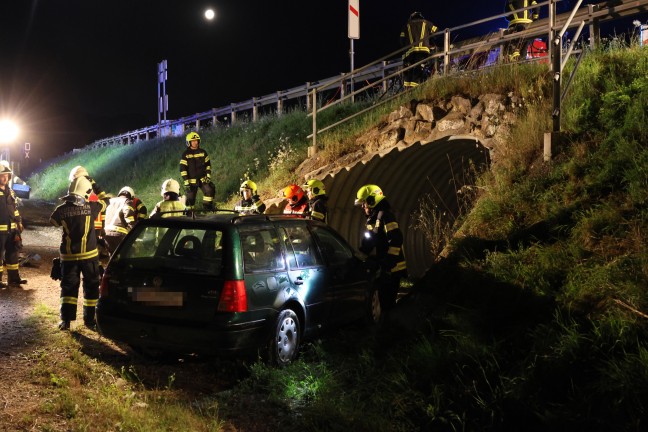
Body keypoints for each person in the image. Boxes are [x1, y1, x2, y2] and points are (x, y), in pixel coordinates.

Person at [50, 167, 110, 330]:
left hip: (68, 257)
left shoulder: (61, 210)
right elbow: (106, 200)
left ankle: (66, 321)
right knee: (91, 288)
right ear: (86, 191)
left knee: (68, 288)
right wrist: (94, 184)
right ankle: (89, 321)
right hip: (89, 256)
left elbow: (53, 221)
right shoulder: (92, 207)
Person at [354, 184, 407, 318]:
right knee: (383, 303)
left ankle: (392, 329)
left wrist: (389, 264)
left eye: (364, 203)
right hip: (386, 268)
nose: (362, 206)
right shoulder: (374, 219)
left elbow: (396, 240)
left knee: (387, 304)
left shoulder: (385, 216)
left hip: (393, 269)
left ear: (372, 201)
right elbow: (369, 243)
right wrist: (356, 258)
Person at [0, 162, 27, 288]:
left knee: (13, 254)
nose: (4, 178)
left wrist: (19, 221)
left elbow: (15, 209)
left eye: (6, 175)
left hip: (11, 230)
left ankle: (14, 279)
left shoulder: (10, 192)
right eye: (1, 176)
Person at [400, 12, 438, 88]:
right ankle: (415, 88)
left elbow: (401, 39)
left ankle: (407, 90)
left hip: (409, 52)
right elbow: (436, 30)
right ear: (421, 17)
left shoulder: (406, 25)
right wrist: (430, 41)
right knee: (418, 68)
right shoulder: (426, 22)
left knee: (410, 69)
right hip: (423, 50)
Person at [179, 131, 215, 211]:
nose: (195, 142)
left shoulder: (203, 152)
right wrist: (186, 181)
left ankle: (207, 208)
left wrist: (208, 175)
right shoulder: (186, 154)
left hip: (203, 179)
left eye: (196, 141)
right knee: (190, 200)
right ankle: (189, 214)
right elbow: (183, 168)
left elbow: (208, 165)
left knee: (210, 190)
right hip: (191, 181)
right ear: (189, 143)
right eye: (193, 141)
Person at [104, 186, 137, 253]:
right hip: (119, 235)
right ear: (131, 197)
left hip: (106, 233)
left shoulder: (109, 201)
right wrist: (134, 233)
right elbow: (129, 218)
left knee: (112, 257)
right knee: (127, 255)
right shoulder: (127, 201)